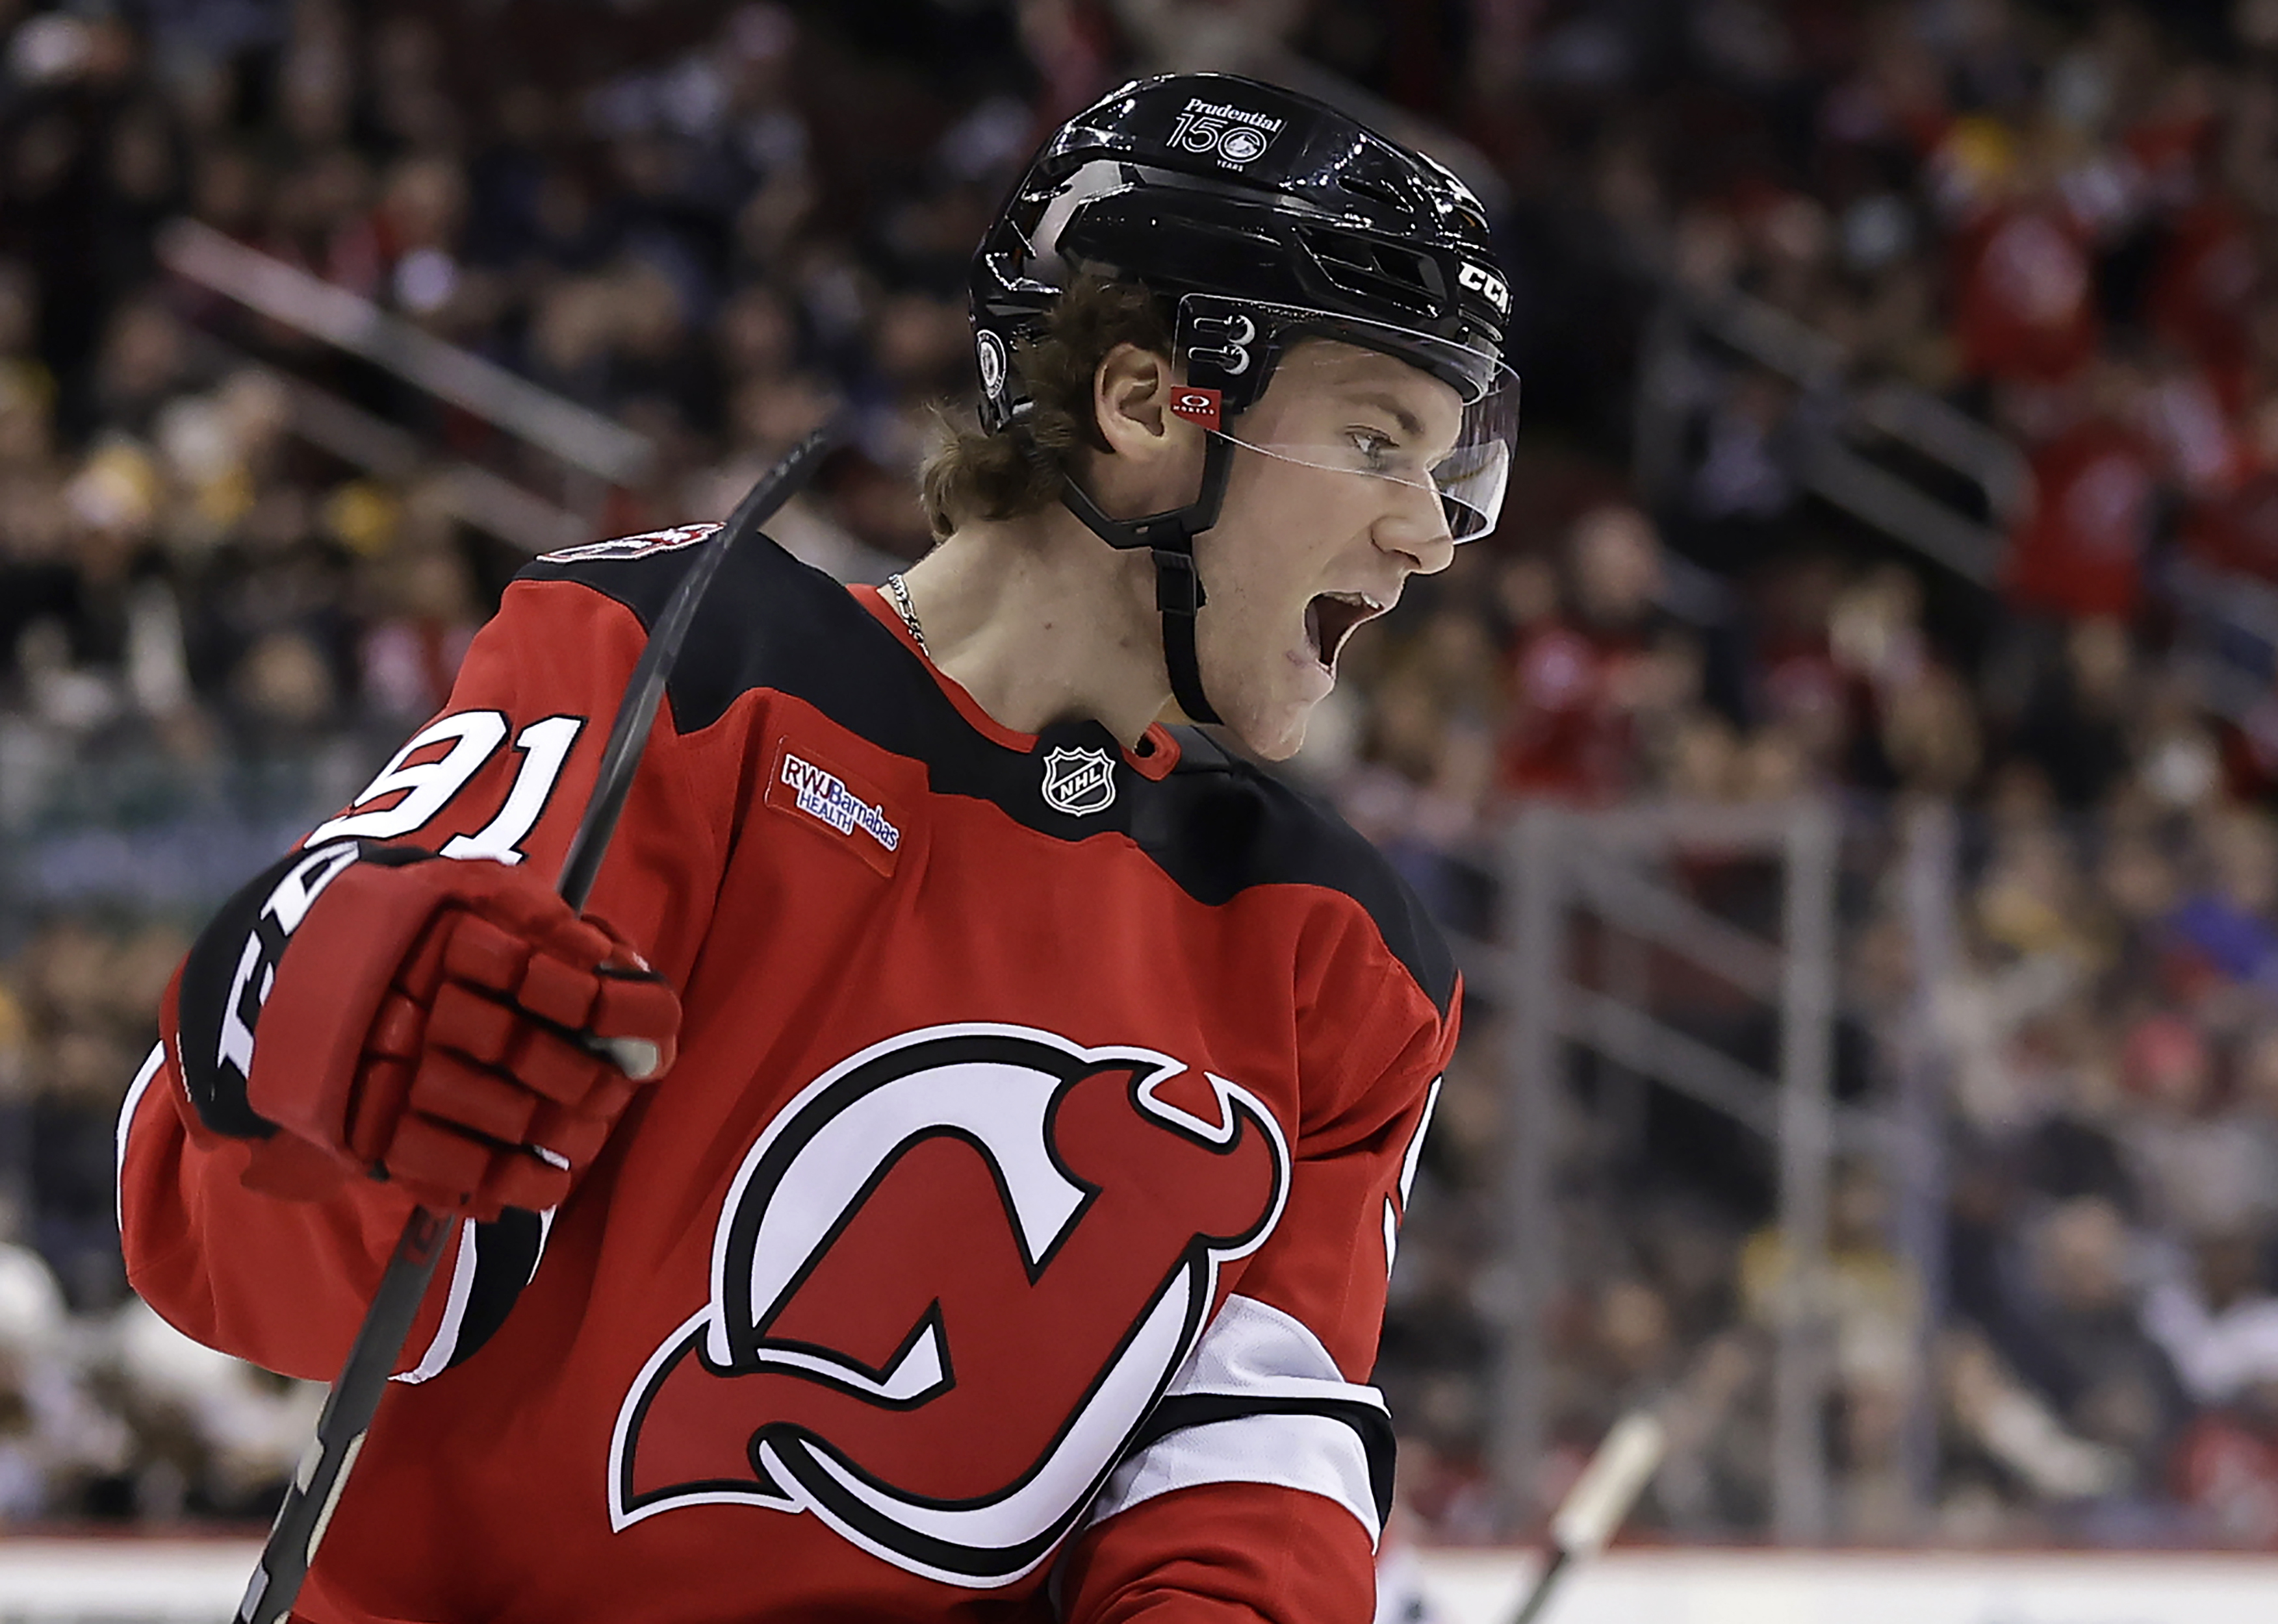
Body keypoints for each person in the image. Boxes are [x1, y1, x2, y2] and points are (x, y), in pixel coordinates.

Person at [114, 73, 1517, 1624]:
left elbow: (1240, 1468)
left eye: (1451, 465)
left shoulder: (1343, 952)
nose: (1431, 532)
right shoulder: (686, 668)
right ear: (1142, 404)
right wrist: (313, 1017)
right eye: (1381, 440)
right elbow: (259, 1262)